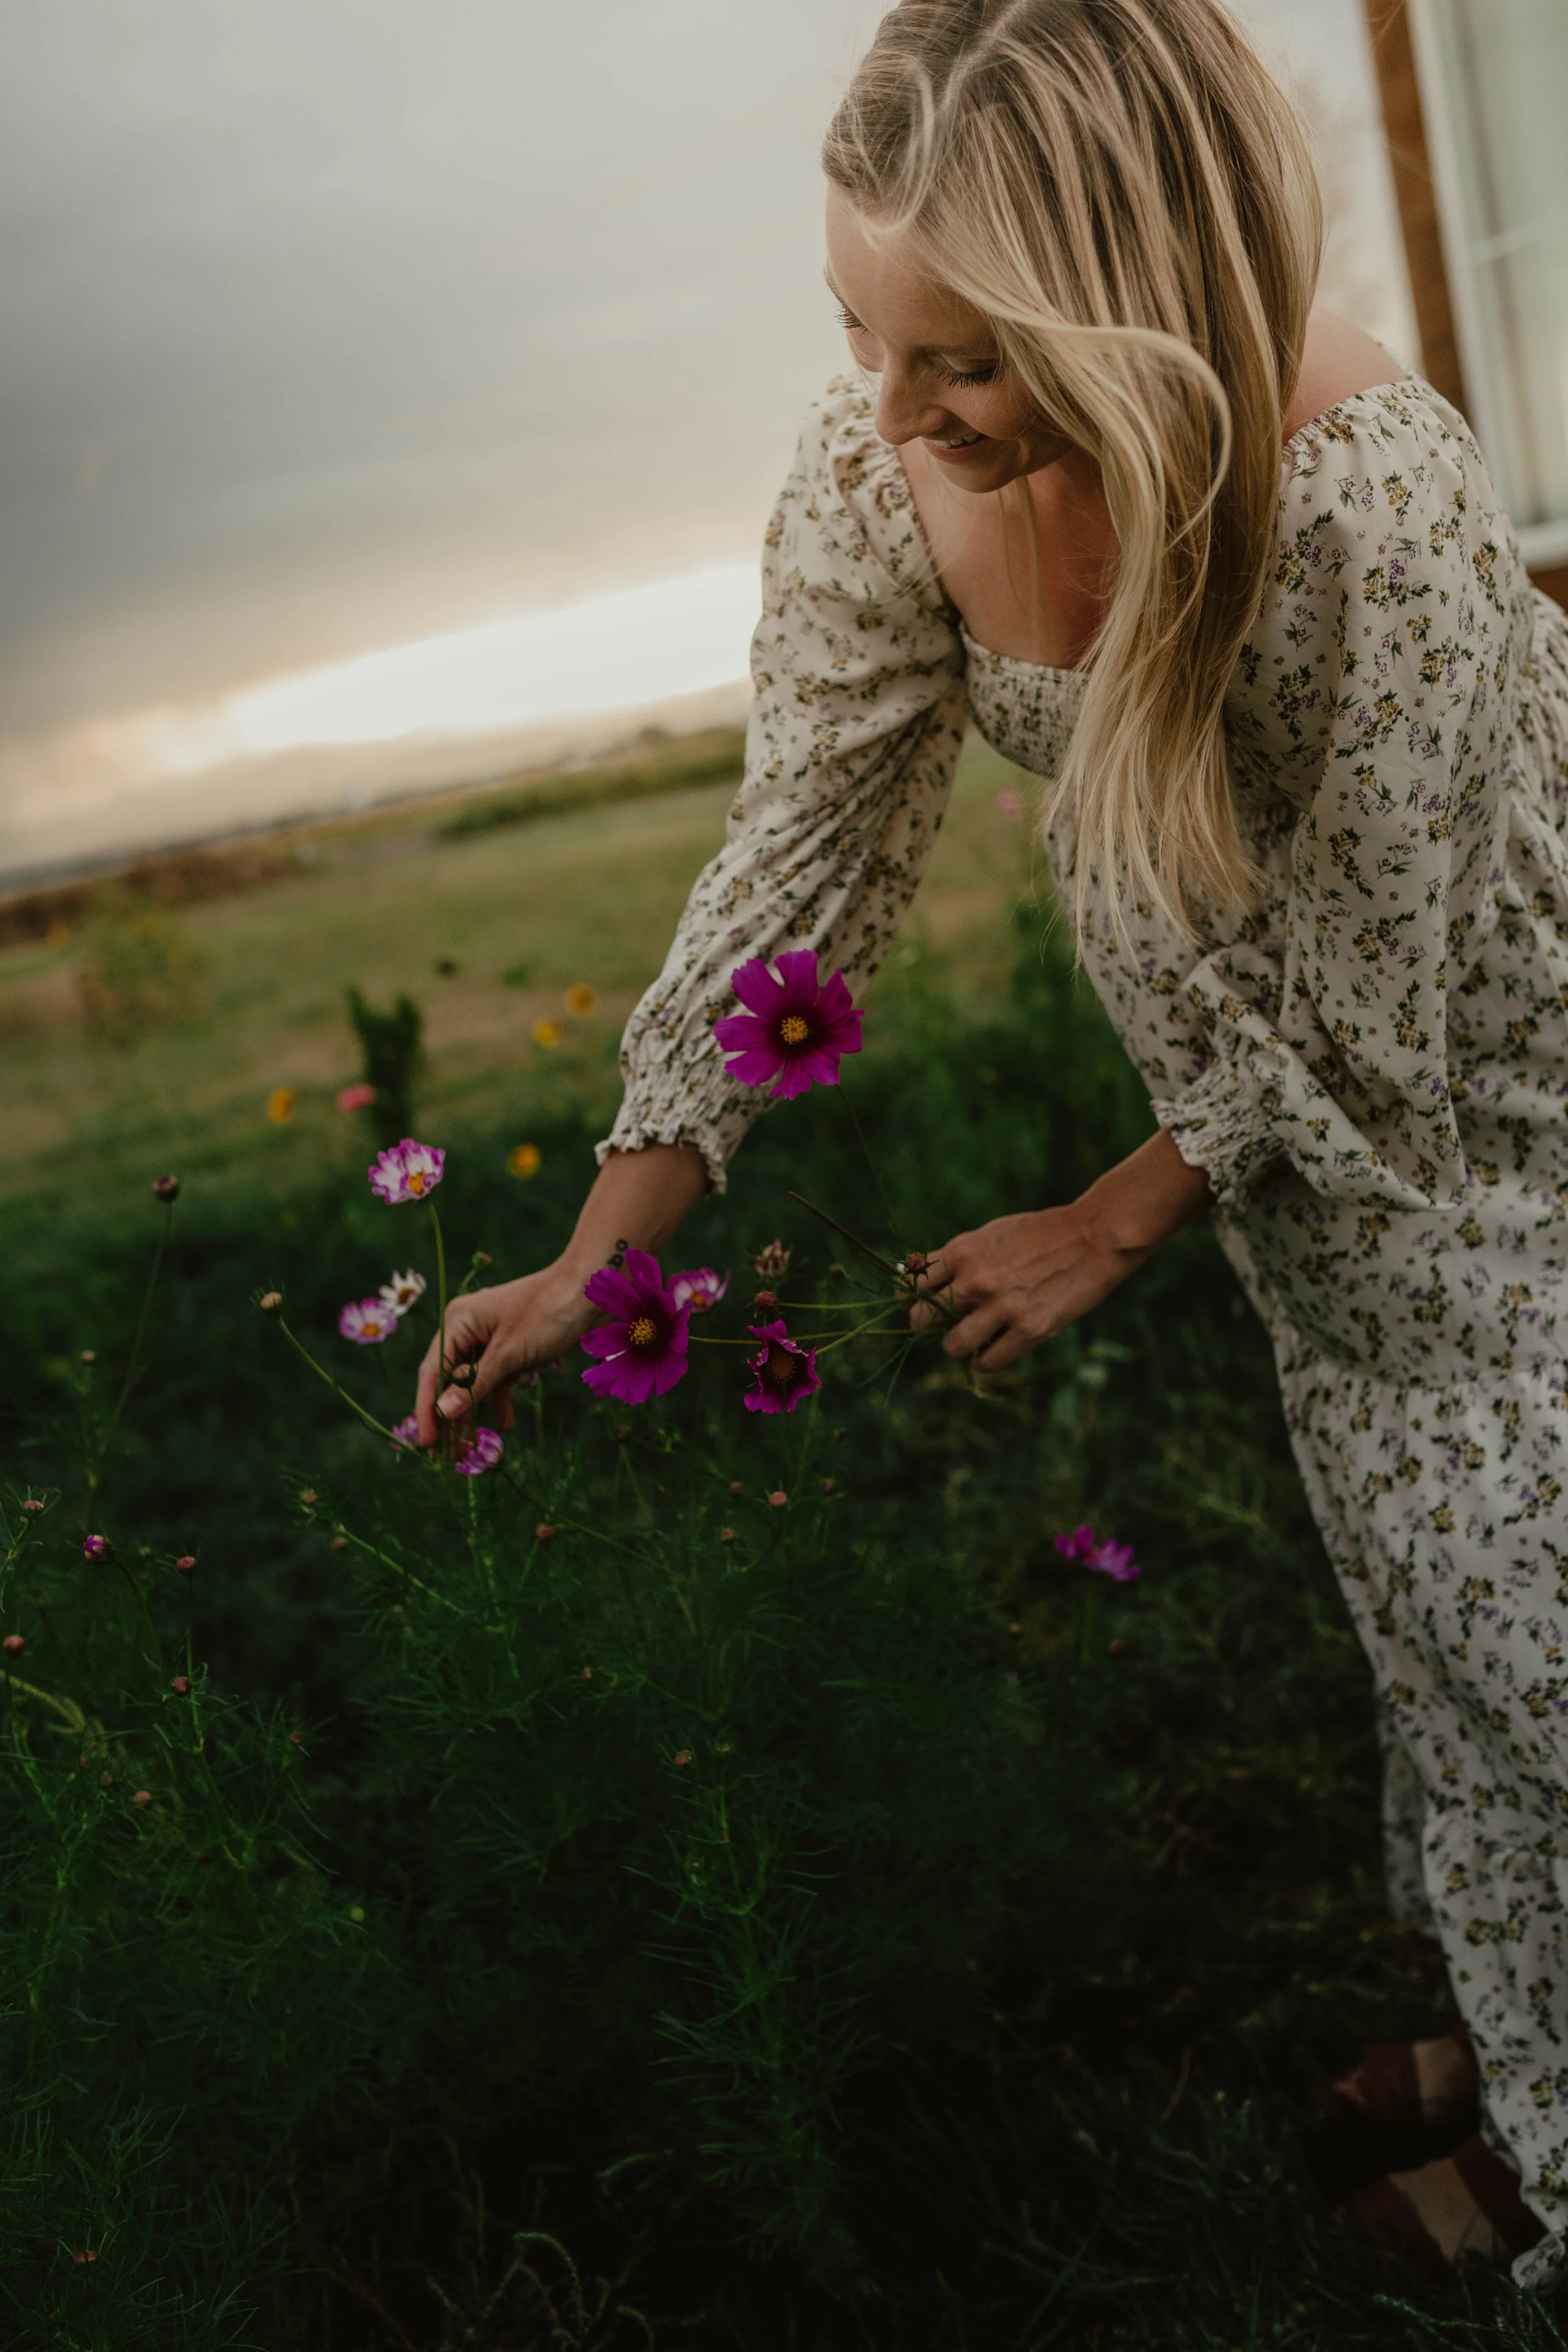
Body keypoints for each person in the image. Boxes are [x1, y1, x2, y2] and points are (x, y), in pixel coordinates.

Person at [415, 0, 1568, 2284]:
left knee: (1532, 1613)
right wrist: (599, 1245)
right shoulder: (886, 485)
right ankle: (1516, 2030)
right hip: (1295, 1174)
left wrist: (1106, 1214)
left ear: (1130, 304)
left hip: (1495, 1103)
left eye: (961, 353)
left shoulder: (1376, 498)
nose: (893, 407)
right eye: (861, 329)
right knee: (1426, 1600)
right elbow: (793, 874)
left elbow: (1371, 994)